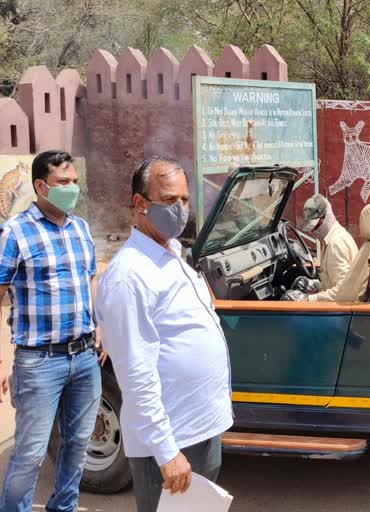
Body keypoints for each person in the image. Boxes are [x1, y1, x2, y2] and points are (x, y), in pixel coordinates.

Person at [95, 157, 232, 512]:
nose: (181, 210)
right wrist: (167, 451)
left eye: (185, 200)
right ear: (140, 204)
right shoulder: (129, 275)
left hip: (199, 428)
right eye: (170, 201)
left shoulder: (171, 252)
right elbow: (135, 374)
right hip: (172, 441)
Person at [0, 150, 105, 512]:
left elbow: (89, 279)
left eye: (74, 181)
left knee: (77, 446)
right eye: (63, 183)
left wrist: (99, 324)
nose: (72, 189)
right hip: (39, 362)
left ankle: (63, 507)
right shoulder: (15, 231)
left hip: (85, 357)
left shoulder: (80, 227)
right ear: (41, 186)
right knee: (29, 454)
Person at [282, 194, 358, 302]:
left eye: (317, 226)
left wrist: (309, 299)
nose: (314, 232)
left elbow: (343, 291)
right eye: (312, 229)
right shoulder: (330, 240)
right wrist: (317, 286)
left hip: (339, 309)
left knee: (288, 298)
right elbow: (332, 282)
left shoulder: (336, 244)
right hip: (335, 300)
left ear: (326, 217)